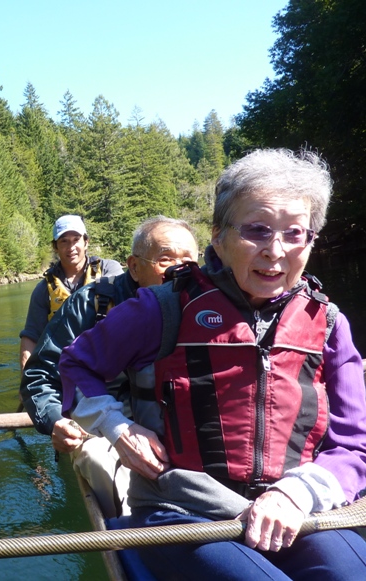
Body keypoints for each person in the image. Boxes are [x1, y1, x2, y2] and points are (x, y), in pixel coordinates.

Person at [59, 149, 366, 580]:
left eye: (295, 233)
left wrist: (295, 494)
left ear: (311, 241)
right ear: (219, 236)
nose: (275, 251)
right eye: (256, 230)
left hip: (293, 510)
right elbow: (75, 366)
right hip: (185, 509)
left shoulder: (328, 323)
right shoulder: (159, 308)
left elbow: (354, 447)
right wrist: (117, 426)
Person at [20, 216, 199, 516]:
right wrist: (54, 420)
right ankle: (124, 531)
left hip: (169, 423)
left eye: (188, 262)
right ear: (135, 267)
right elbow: (38, 371)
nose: (178, 272)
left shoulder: (204, 304)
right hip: (97, 423)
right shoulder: (84, 301)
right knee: (93, 457)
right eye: (165, 260)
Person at [19, 214, 123, 371]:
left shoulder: (110, 270)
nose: (71, 247)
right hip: (66, 366)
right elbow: (30, 337)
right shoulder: (43, 290)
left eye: (76, 239)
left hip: (110, 359)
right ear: (56, 247)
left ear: (86, 242)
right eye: (64, 241)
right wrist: (25, 383)